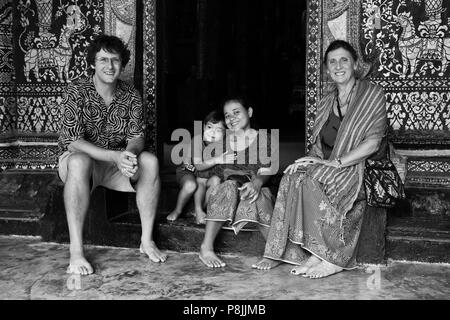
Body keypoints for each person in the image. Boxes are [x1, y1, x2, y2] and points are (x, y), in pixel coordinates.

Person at [253, 40, 387, 279]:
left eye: (344, 60)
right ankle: (313, 252)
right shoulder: (327, 101)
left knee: (310, 182)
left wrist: (336, 163)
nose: (338, 66)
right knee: (293, 175)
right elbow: (318, 145)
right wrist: (309, 160)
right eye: (332, 62)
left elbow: (373, 142)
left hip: (359, 166)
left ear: (355, 64)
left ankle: (333, 258)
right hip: (329, 165)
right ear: (326, 69)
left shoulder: (372, 94)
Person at [58, 34, 167, 276]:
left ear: (122, 64)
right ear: (92, 63)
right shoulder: (76, 91)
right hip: (83, 164)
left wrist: (129, 154)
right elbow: (73, 141)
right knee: (78, 161)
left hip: (115, 164)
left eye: (115, 60)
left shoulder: (131, 95)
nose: (110, 66)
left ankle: (146, 240)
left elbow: (137, 136)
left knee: (149, 161)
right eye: (103, 60)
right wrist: (114, 156)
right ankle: (76, 252)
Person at [199, 98, 278, 268]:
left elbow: (267, 170)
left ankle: (272, 253)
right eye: (227, 115)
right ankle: (206, 248)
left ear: (249, 112)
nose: (231, 118)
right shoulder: (222, 139)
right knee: (227, 186)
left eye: (236, 112)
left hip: (252, 195)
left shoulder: (265, 138)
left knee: (257, 193)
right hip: (225, 202)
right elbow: (210, 169)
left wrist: (256, 183)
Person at [167, 110, 226, 224]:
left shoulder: (223, 145)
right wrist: (217, 160)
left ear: (224, 133)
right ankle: (178, 210)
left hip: (205, 174)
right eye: (209, 127)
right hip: (188, 171)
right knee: (191, 185)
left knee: (216, 181)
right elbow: (198, 166)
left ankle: (197, 210)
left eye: (218, 130)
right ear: (204, 127)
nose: (213, 133)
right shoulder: (198, 140)